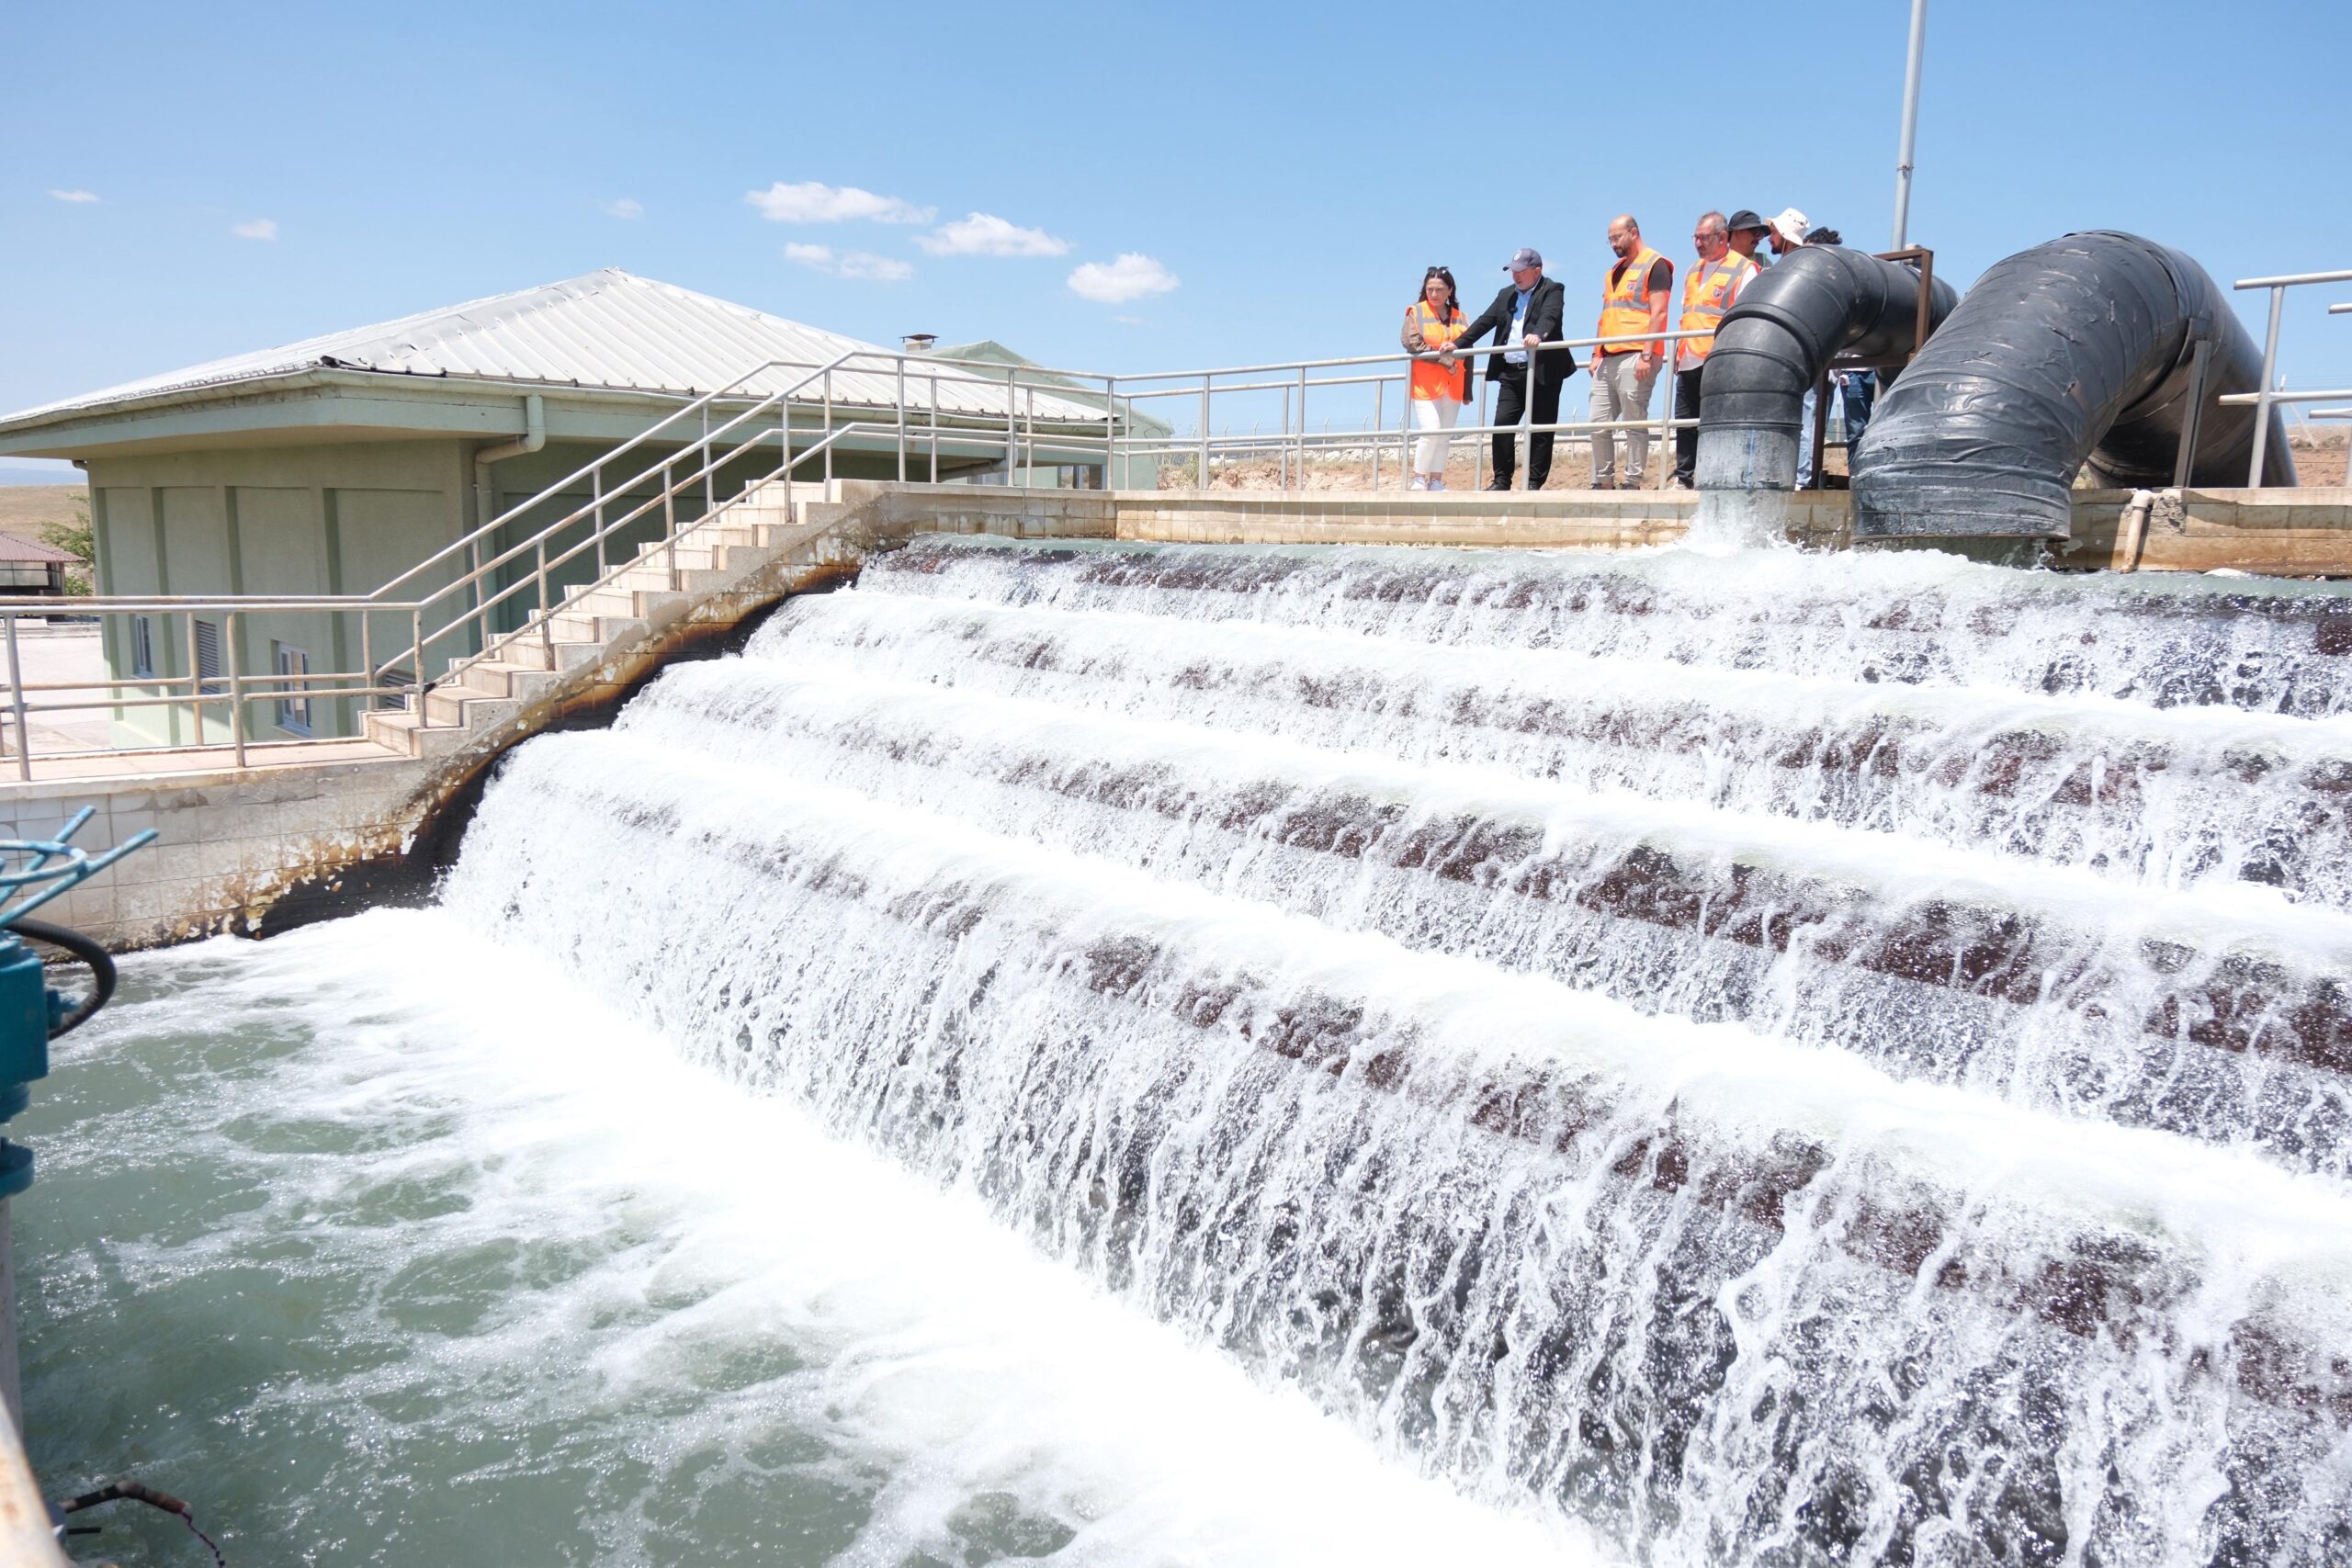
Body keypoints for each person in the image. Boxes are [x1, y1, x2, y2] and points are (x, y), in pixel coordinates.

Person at [1446, 247, 1571, 490]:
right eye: (1513, 271)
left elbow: (1550, 316)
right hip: (1511, 371)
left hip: (1544, 371)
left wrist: (1538, 335)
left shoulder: (1553, 289)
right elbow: (1484, 322)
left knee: (1541, 429)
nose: (1516, 276)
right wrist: (1458, 343)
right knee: (1502, 424)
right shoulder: (1505, 295)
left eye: (1521, 271)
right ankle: (1502, 480)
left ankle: (1533, 483)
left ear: (1537, 271)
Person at [1669, 212, 1758, 489]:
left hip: (1719, 358)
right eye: (1695, 237)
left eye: (1703, 237)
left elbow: (1746, 316)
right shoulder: (1692, 271)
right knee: (1685, 422)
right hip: (1688, 358)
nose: (1698, 243)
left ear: (1722, 238)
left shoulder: (1744, 269)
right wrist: (1678, 352)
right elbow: (1686, 313)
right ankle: (1684, 477)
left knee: (1716, 421)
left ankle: (1715, 476)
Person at [1589, 214, 1672, 489]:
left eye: (1617, 237)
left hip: (1637, 354)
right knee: (1598, 423)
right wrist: (1596, 353)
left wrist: (1647, 355)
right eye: (1610, 239)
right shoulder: (1612, 272)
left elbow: (1659, 313)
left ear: (1633, 233)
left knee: (1634, 420)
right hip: (1608, 356)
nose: (1613, 244)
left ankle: (1632, 482)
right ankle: (1604, 482)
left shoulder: (1656, 265)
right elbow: (1606, 315)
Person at [1399, 265, 1469, 491]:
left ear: (1450, 290)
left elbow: (1469, 351)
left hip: (1454, 384)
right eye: (1430, 289)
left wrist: (1468, 390)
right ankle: (1418, 477)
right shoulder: (1416, 312)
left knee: (1444, 434)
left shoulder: (1461, 317)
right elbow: (1412, 343)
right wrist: (1444, 360)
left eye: (1439, 289)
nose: (1434, 294)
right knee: (1431, 429)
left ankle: (1436, 480)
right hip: (1426, 385)